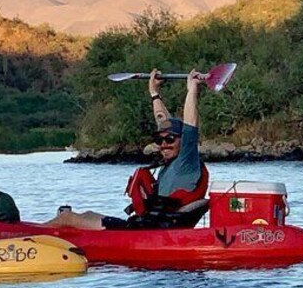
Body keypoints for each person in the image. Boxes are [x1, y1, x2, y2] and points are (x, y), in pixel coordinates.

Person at [43, 68, 208, 230]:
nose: (164, 144)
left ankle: (26, 237)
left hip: (149, 232)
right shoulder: (172, 162)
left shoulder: (186, 162)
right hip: (145, 225)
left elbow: (190, 128)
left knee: (66, 218)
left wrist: (192, 90)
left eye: (170, 139)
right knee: (87, 214)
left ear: (183, 141)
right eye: (160, 140)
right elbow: (163, 122)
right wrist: (154, 92)